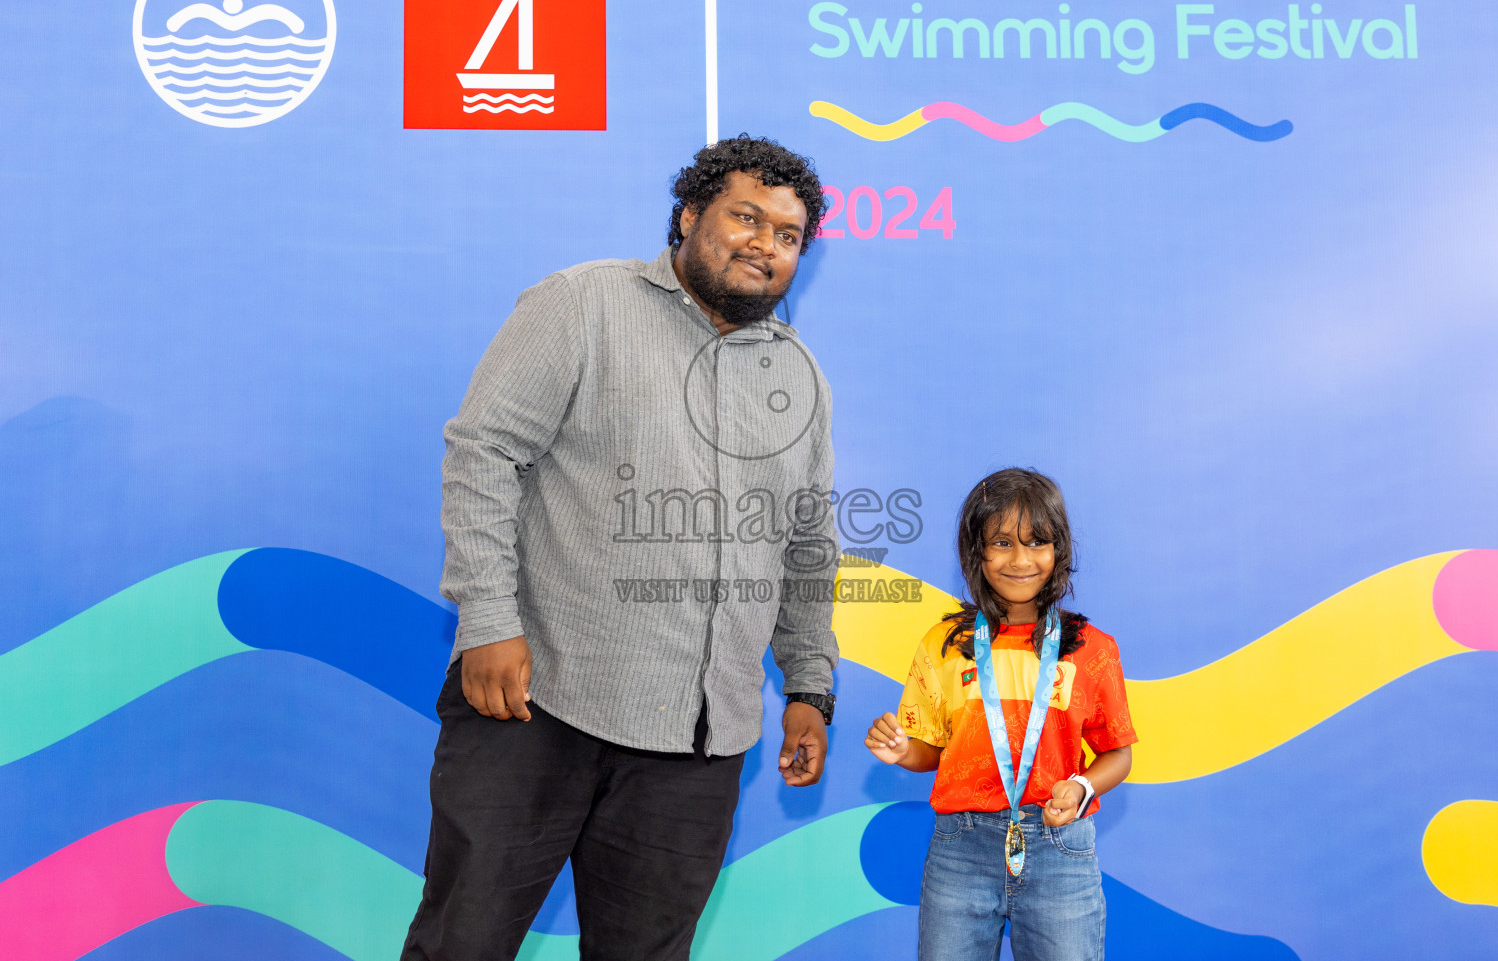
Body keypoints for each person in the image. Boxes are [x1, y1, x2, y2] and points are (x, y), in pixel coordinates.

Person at [400, 136, 841, 961]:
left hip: (698, 746)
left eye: (788, 236)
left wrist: (810, 683)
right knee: (463, 943)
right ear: (687, 216)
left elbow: (806, 540)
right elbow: (485, 454)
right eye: (746, 217)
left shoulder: (802, 375)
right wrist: (490, 620)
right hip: (537, 704)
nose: (765, 244)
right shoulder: (582, 305)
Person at [865, 468, 1136, 961]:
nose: (1021, 559)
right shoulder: (946, 646)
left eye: (1037, 542)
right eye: (1002, 542)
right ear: (977, 552)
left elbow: (1118, 755)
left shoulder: (1092, 650)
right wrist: (906, 751)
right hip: (960, 853)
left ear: (1060, 552)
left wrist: (1083, 787)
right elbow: (934, 751)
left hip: (1060, 851)